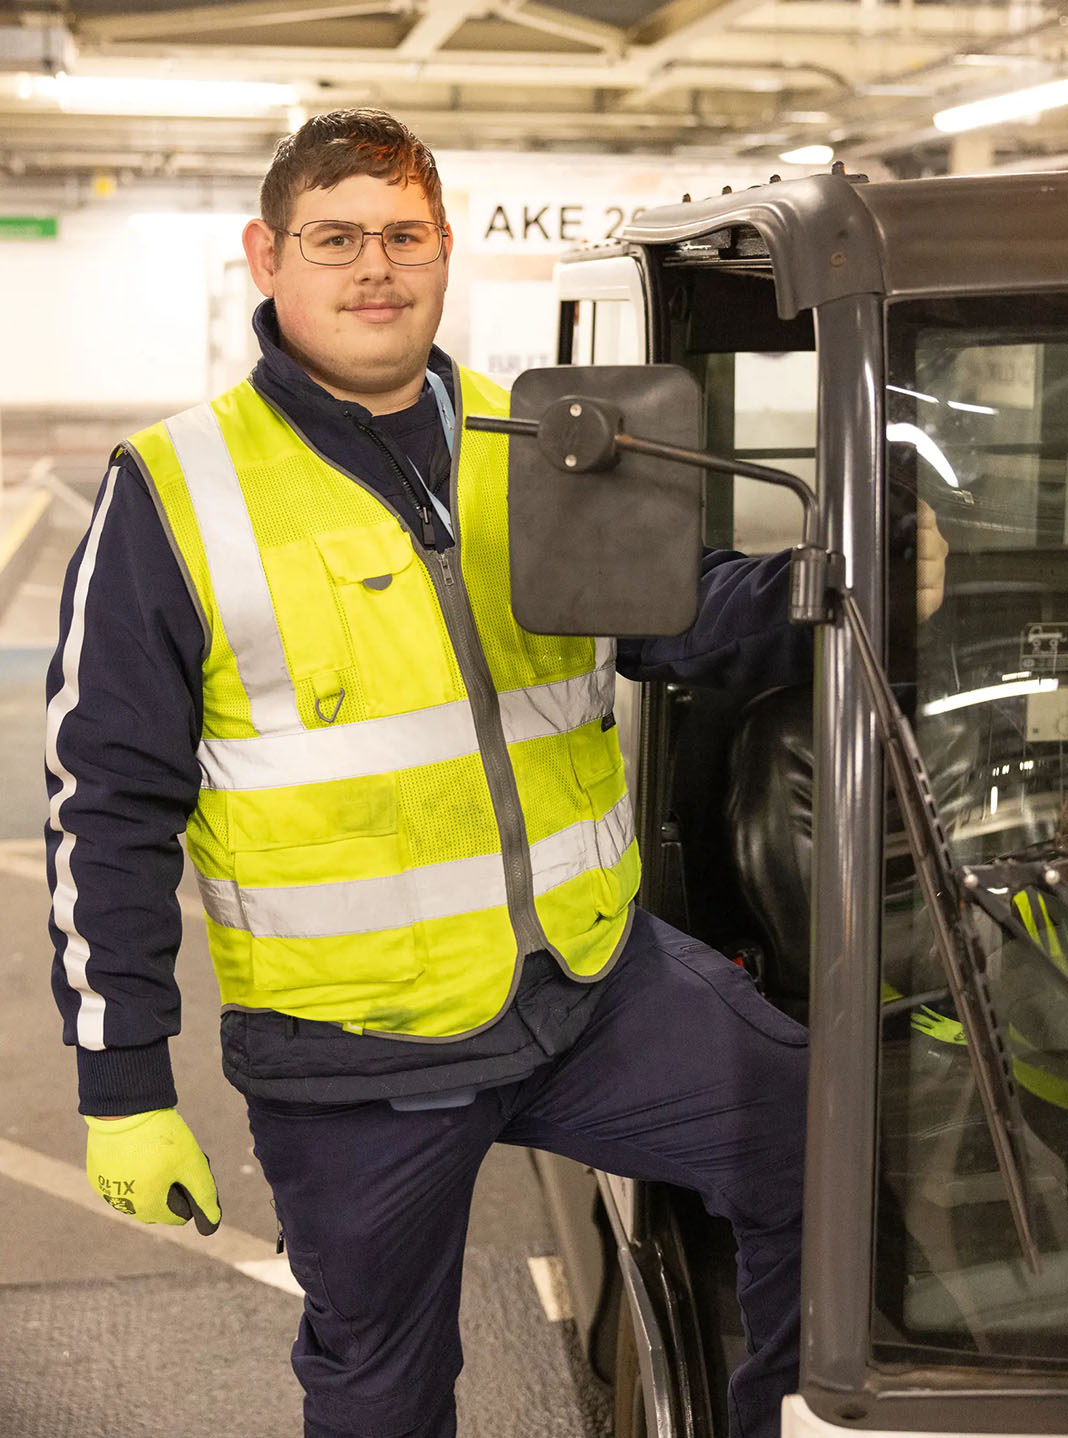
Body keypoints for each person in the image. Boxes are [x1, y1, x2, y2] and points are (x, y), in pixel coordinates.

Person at [45, 108, 941, 1438]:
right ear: (267, 255)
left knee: (820, 1146)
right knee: (384, 1383)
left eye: (404, 233)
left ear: (445, 250)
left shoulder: (533, 438)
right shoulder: (180, 491)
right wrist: (124, 1079)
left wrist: (837, 585)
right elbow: (104, 799)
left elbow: (671, 610)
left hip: (589, 987)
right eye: (336, 236)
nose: (375, 267)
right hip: (359, 1053)